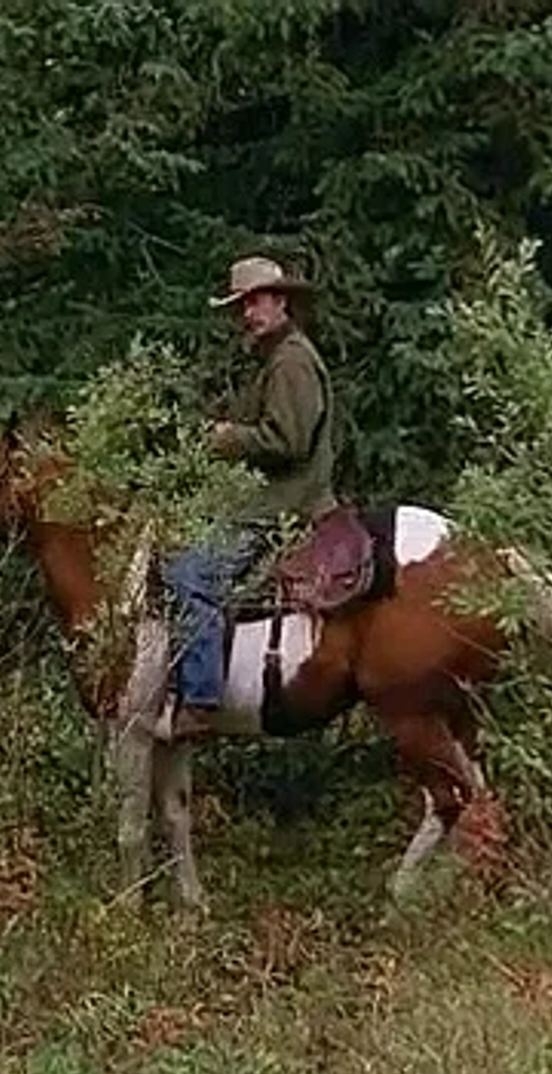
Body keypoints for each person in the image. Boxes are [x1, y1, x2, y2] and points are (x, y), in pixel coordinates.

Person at [166, 255, 336, 737]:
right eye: (240, 304)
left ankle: (200, 700)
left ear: (280, 300)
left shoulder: (291, 361)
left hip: (282, 506)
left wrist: (227, 439)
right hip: (274, 501)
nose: (247, 312)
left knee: (191, 575)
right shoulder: (277, 360)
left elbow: (289, 442)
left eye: (256, 301)